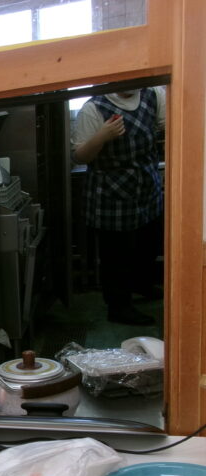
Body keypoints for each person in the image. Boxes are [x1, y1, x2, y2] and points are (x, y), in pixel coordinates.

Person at [71, 86, 166, 326]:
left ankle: (141, 283)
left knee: (151, 239)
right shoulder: (93, 108)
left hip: (146, 185)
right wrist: (102, 136)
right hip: (111, 192)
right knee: (116, 254)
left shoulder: (153, 95)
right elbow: (80, 157)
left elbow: (166, 127)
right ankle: (119, 306)